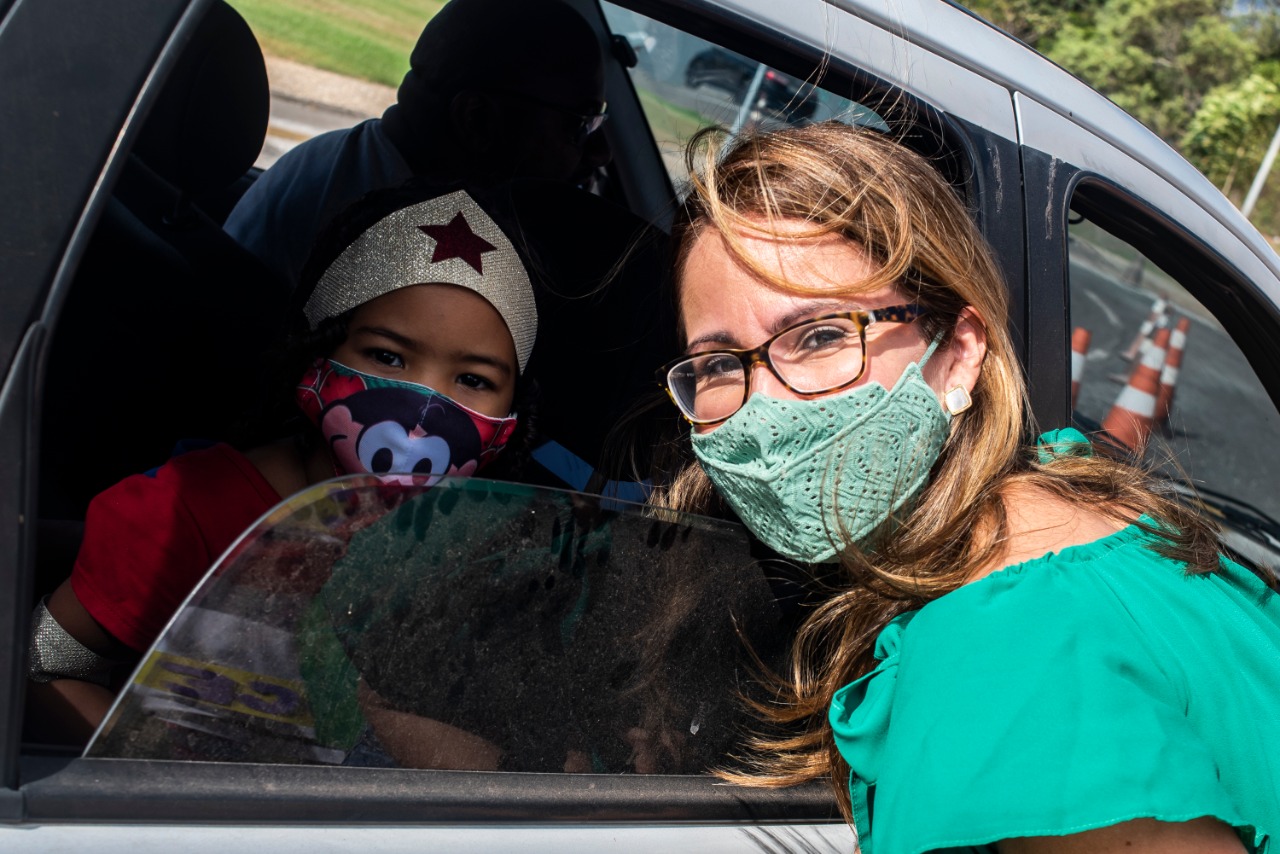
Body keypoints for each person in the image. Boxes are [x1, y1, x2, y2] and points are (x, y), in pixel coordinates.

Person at [652, 123, 1280, 853]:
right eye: (721, 363)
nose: (767, 405)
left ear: (957, 352)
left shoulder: (1008, 647)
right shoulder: (1063, 506)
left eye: (822, 336)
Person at [27, 183, 541, 743]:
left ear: (512, 415)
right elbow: (44, 664)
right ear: (314, 356)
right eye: (386, 356)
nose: (423, 407)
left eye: (472, 380)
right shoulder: (187, 513)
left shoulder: (491, 552)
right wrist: (170, 776)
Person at [225, 0, 610, 289]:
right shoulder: (393, 245)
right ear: (476, 119)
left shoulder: (342, 162)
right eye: (580, 123)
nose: (599, 151)